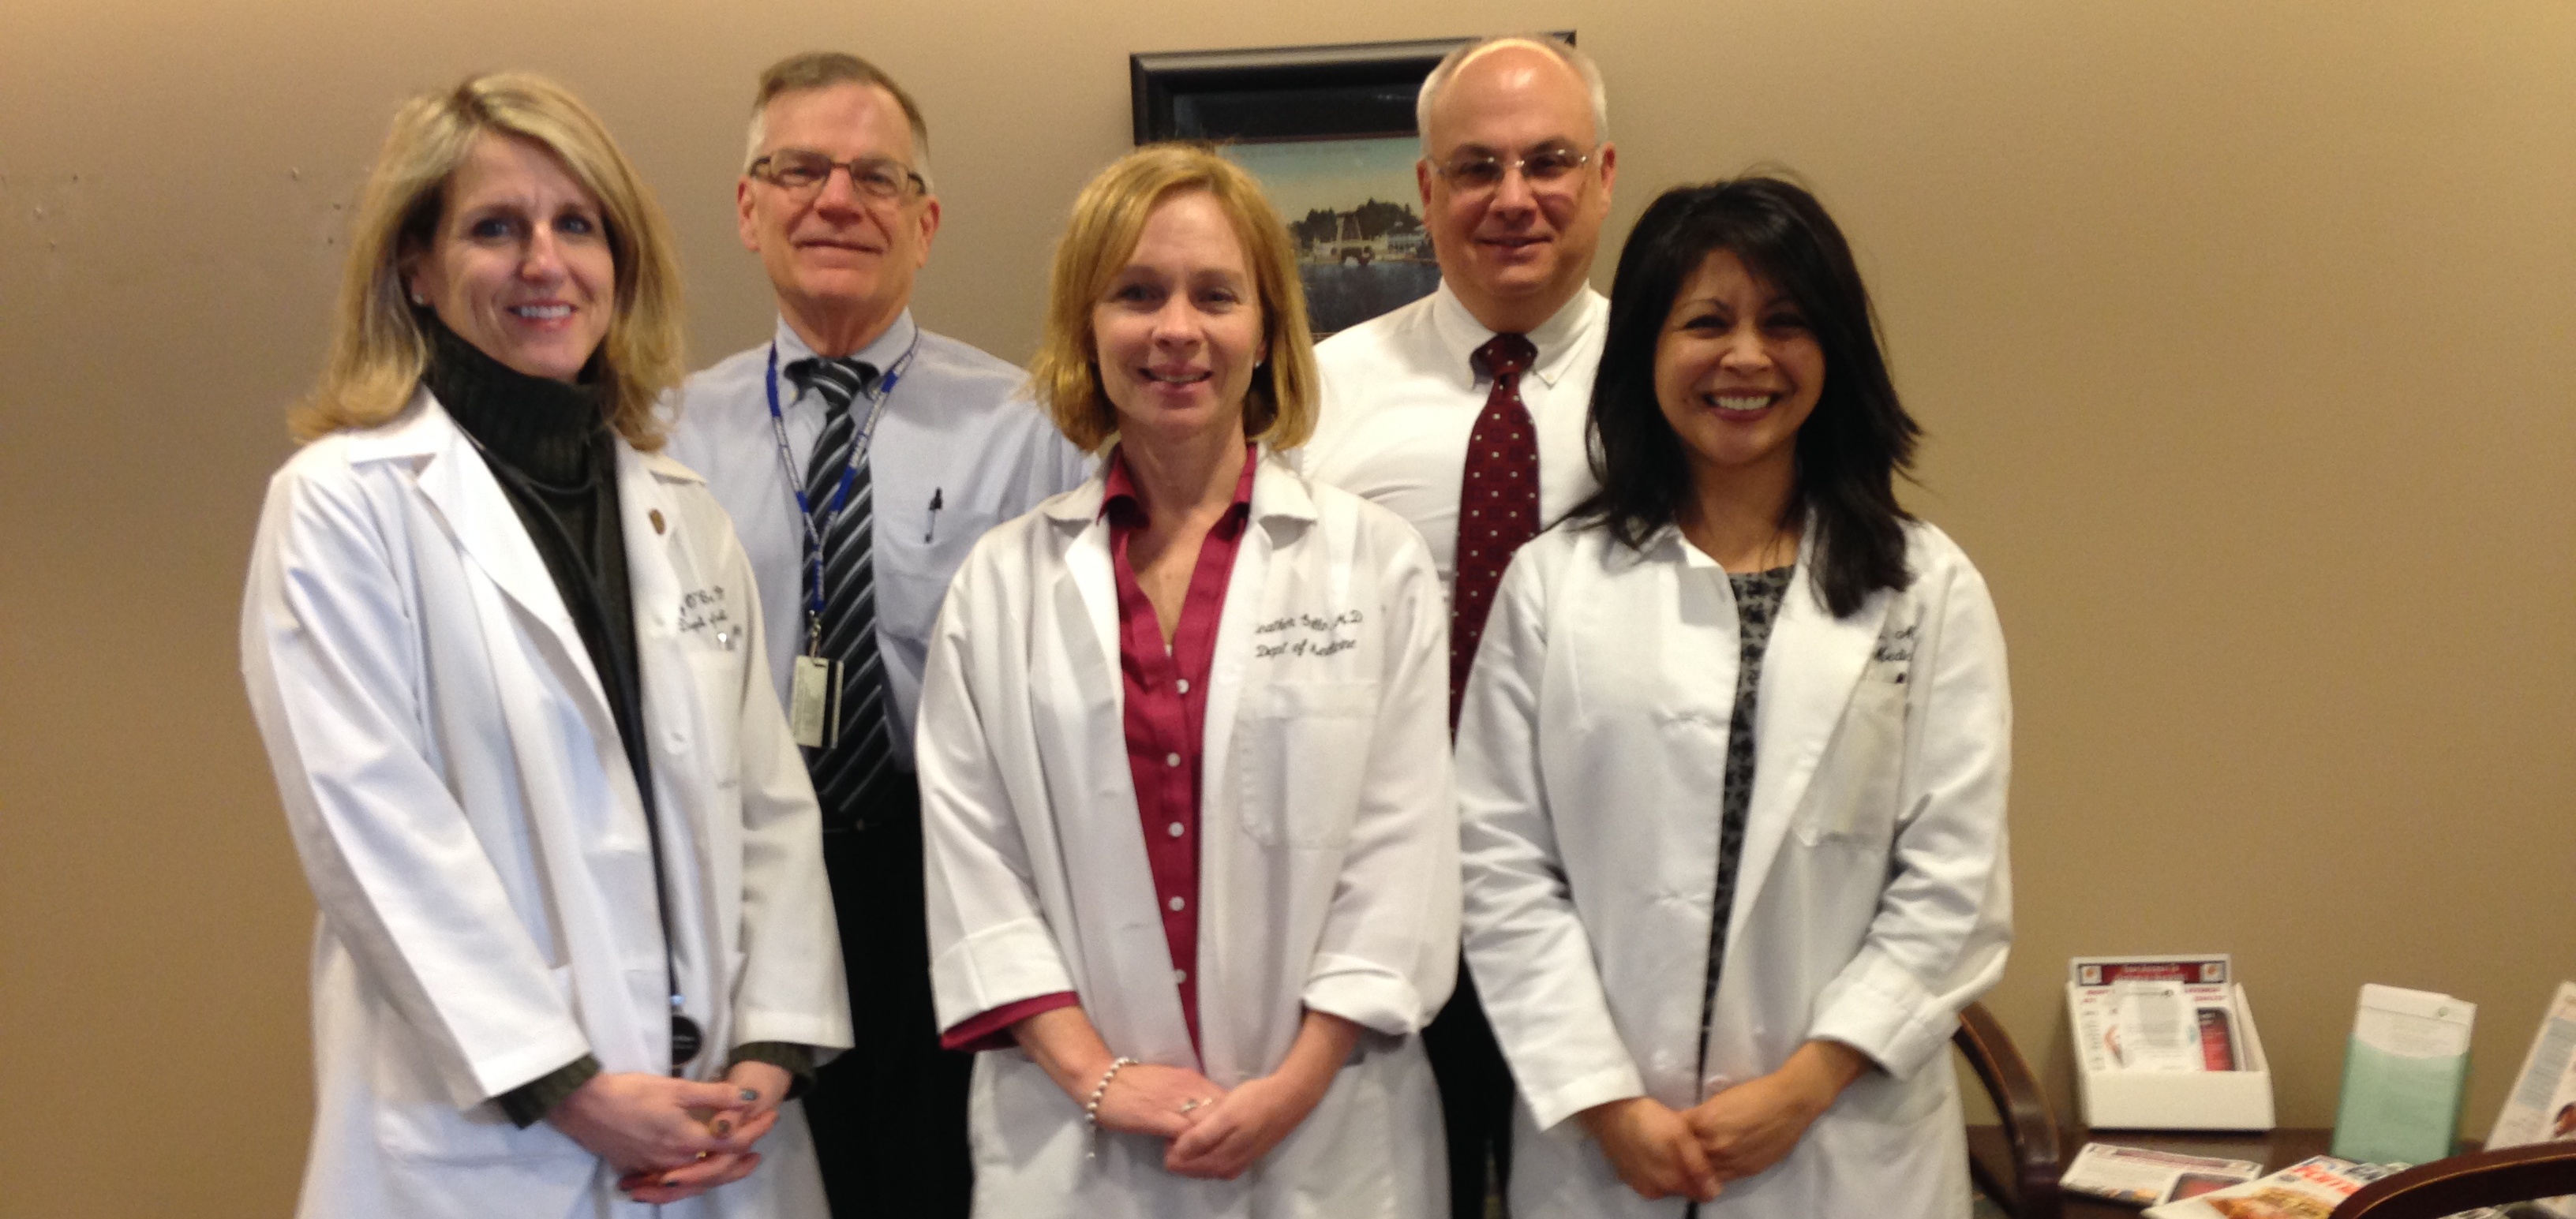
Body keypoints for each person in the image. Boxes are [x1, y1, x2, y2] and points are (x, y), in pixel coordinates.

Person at [240, 73, 851, 1218]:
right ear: (414, 268)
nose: (544, 262)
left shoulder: (683, 512)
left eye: (577, 225)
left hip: (717, 1128)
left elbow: (768, 807)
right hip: (491, 1139)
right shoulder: (342, 505)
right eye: (494, 228)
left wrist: (768, 1051)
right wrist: (568, 1086)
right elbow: (375, 835)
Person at [915, 144, 1458, 1217]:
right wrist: (1097, 1076)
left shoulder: (1374, 563)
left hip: (1327, 1133)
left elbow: (1404, 855)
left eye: (1215, 294)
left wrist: (1292, 1085)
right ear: (1087, 327)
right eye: (1136, 294)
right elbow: (977, 864)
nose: (1176, 329)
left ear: (1266, 328)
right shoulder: (1000, 584)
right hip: (1077, 1139)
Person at [1454, 178, 2013, 1219]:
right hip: (1607, 1147)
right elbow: (1499, 862)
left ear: (1834, 351)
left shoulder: (1923, 586)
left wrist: (1808, 1085)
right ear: (1646, 351)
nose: (1746, 357)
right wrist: (1605, 1098)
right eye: (1707, 323)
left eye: (1785, 323)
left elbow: (1954, 882)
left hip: (1842, 1139)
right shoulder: (1553, 584)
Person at [661, 51, 1088, 1218]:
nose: (836, 200)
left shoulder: (1032, 429)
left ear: (925, 222)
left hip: (944, 880)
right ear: (748, 207)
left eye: (876, 177)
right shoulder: (663, 439)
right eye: (799, 169)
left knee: (944, 1188)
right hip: (745, 882)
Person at [1293, 32, 1618, 1211]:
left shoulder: (1670, 392)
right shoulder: (1316, 394)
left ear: (1603, 176)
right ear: (1428, 190)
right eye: (1477, 167)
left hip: (1599, 901)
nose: (1512, 197)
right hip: (1376, 900)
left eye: (1548, 161)